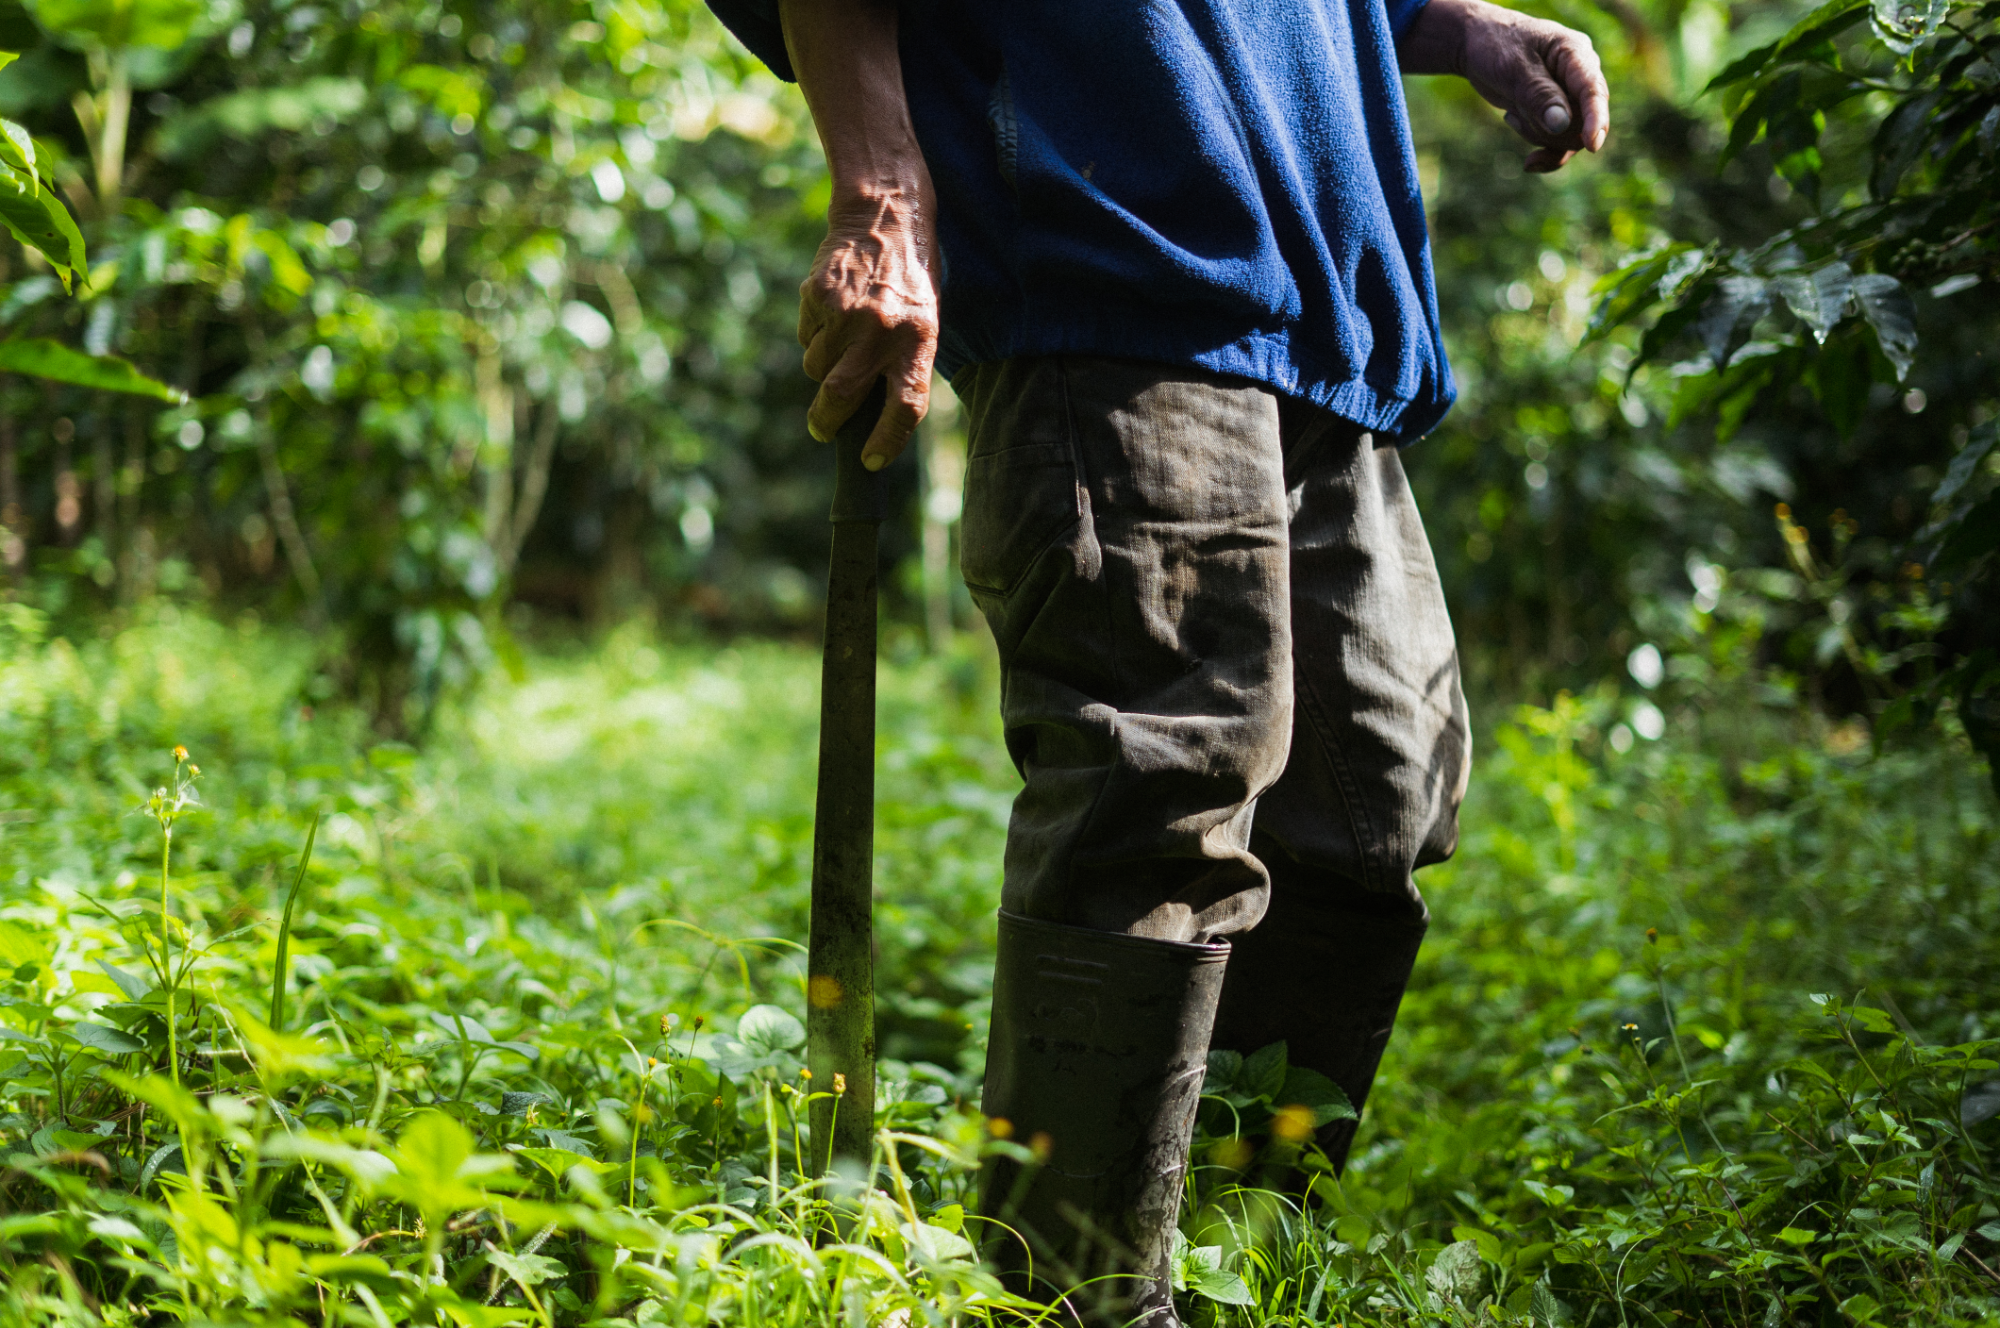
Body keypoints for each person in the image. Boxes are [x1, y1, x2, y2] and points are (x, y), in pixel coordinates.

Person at [703, 2, 1609, 1323]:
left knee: (1373, 813)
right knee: (1154, 809)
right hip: (1115, 257)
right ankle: (1081, 1300)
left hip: (1323, 307)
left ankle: (1231, 1259)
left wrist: (1443, 25)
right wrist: (883, 186)